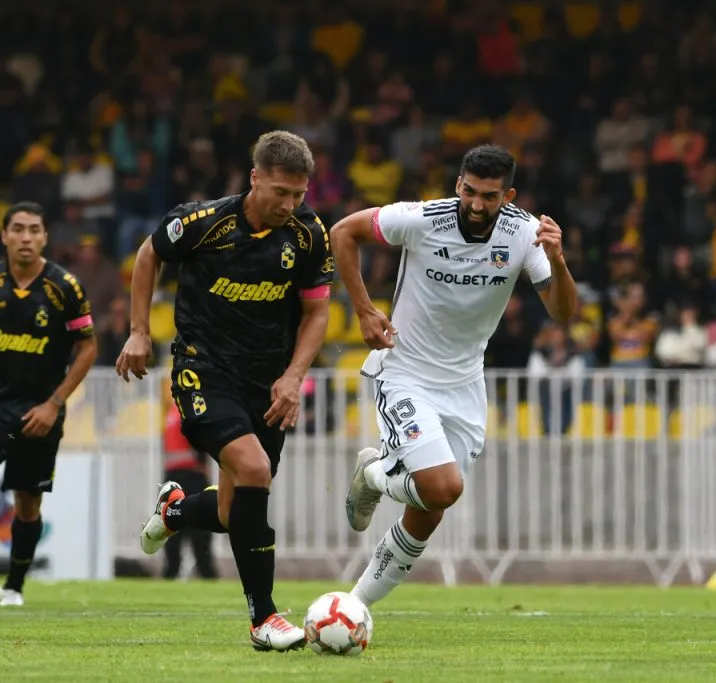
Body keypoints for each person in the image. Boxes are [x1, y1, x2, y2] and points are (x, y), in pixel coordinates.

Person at [330, 144, 577, 608]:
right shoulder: (423, 219)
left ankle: (354, 606)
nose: (477, 204)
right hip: (406, 373)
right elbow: (343, 233)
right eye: (470, 192)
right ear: (457, 185)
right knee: (441, 487)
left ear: (508, 195)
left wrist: (559, 262)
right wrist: (363, 310)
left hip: (465, 385)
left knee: (429, 511)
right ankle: (375, 472)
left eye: (489, 196)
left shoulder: (524, 234)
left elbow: (562, 313)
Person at [115, 130, 332, 651]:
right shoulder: (202, 222)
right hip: (203, 371)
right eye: (280, 191)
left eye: (299, 194)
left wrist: (294, 375)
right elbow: (148, 254)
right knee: (255, 469)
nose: (289, 204)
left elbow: (317, 311)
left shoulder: (308, 233)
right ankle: (265, 619)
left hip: (268, 382)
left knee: (238, 510)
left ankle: (174, 512)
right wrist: (140, 329)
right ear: (255, 178)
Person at [0, 201, 98, 606]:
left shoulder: (65, 287)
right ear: (4, 235)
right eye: (18, 229)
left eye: (34, 229)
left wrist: (54, 403)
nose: (25, 237)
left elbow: (87, 348)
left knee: (27, 504)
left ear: (45, 237)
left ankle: (14, 586)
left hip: (38, 412)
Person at [161, 400, 218, 580]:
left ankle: (171, 571)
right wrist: (203, 462)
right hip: (192, 474)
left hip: (172, 475)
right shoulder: (190, 408)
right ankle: (205, 570)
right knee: (200, 524)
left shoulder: (171, 411)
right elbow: (197, 436)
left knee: (171, 524)